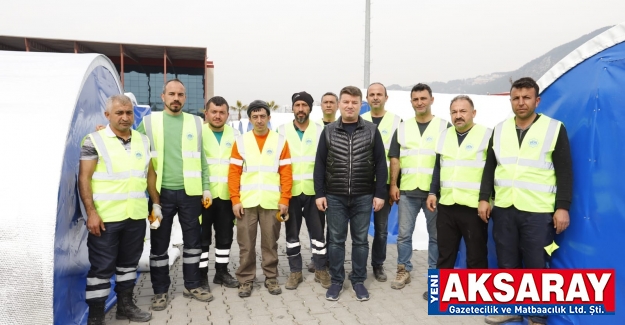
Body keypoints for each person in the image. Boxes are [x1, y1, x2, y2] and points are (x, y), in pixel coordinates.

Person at [480, 77, 572, 325]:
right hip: (505, 208)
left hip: (538, 210)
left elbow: (565, 171)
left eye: (526, 97)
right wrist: (483, 199)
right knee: (506, 260)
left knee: (535, 263)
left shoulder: (554, 128)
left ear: (537, 100)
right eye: (516, 98)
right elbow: (490, 167)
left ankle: (537, 315)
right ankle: (511, 307)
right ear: (510, 100)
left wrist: (562, 207)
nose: (521, 103)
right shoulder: (499, 129)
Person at [79, 95, 156, 325]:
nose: (125, 117)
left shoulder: (143, 141)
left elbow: (149, 175)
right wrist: (91, 212)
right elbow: (84, 177)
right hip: (106, 218)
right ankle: (95, 316)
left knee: (128, 266)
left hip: (134, 215)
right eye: (119, 113)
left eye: (129, 113)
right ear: (108, 115)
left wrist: (156, 204)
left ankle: (125, 306)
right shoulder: (94, 140)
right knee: (101, 269)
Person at [138, 79, 213, 310]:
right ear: (163, 97)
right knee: (159, 244)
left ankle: (191, 285)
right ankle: (160, 291)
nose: (176, 98)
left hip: (190, 194)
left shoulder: (196, 122)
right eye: (171, 94)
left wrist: (206, 186)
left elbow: (201, 158)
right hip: (159, 196)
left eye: (180, 94)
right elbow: (132, 145)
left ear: (185, 98)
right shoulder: (149, 122)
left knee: (193, 243)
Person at [314, 86, 387, 302]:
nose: (349, 106)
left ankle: (358, 280)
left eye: (354, 102)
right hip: (335, 196)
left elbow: (381, 163)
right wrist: (320, 193)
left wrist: (380, 193)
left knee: (360, 241)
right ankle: (337, 280)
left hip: (363, 195)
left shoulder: (372, 130)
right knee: (336, 241)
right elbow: (319, 164)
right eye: (346, 102)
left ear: (360, 104)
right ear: (339, 104)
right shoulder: (328, 131)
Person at [388, 83, 449, 299]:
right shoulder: (403, 128)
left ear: (432, 99)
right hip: (408, 190)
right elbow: (394, 157)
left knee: (436, 236)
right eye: (416, 99)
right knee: (404, 235)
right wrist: (394, 184)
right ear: (411, 102)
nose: (420, 102)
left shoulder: (444, 126)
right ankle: (403, 270)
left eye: (423, 98)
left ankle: (435, 275)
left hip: (434, 192)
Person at [228, 100, 292, 297]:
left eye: (262, 116)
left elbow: (287, 172)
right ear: (250, 119)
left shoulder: (280, 141)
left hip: (271, 202)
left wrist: (285, 200)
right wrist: (235, 199)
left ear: (269, 118)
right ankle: (246, 280)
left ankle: (271, 277)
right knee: (246, 244)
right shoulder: (241, 141)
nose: (259, 120)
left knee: (270, 243)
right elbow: (233, 173)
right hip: (246, 203)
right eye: (255, 117)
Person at [426, 95, 491, 271]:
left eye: (463, 111)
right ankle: (438, 292)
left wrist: (485, 199)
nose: (458, 115)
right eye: (454, 112)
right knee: (445, 254)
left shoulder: (487, 135)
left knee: (476, 256)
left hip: (474, 207)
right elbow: (438, 167)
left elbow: (491, 172)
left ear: (473, 113)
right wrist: (432, 192)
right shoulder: (444, 135)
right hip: (447, 205)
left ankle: (475, 295)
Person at [277, 91, 331, 290]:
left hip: (313, 193)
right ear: (292, 107)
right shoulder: (280, 131)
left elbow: (326, 162)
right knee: (291, 235)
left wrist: (323, 192)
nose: (301, 109)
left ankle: (320, 269)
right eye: (297, 105)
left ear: (310, 107)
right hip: (289, 193)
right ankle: (295, 272)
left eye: (304, 105)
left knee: (318, 234)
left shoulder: (320, 130)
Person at [360, 82, 401, 282]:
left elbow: (398, 156)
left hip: (383, 184)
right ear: (366, 98)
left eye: (379, 94)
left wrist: (394, 184)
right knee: (359, 229)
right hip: (360, 182)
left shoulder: (396, 121)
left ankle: (378, 265)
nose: (375, 97)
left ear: (386, 97)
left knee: (381, 229)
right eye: (371, 94)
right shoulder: (359, 119)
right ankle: (359, 266)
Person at [199, 96, 240, 289]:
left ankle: (221, 273)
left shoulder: (235, 134)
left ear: (227, 114)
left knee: (225, 236)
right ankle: (201, 276)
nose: (217, 116)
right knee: (202, 238)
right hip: (202, 196)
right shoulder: (198, 132)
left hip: (226, 195)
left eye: (222, 112)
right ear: (206, 113)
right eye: (213, 112)